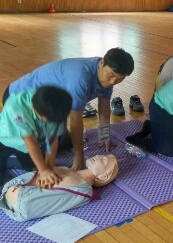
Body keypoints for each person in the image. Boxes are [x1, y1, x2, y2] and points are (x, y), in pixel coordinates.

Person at [3, 48, 134, 171]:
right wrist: (78, 157)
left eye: (120, 79)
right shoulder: (80, 77)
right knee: (32, 150)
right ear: (102, 62)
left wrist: (104, 135)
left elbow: (104, 106)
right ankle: (10, 159)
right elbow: (75, 119)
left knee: (58, 141)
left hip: (51, 106)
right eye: (111, 75)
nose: (113, 82)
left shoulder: (107, 79)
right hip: (21, 100)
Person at [0, 154, 118, 222]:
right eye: (101, 155)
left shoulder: (80, 183)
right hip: (16, 197)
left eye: (103, 160)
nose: (98, 156)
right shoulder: (77, 179)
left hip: (21, 198)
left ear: (103, 176)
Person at [0, 86, 72, 188]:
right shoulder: (16, 107)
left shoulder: (58, 106)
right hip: (5, 138)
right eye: (47, 120)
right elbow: (30, 141)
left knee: (34, 170)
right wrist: (44, 170)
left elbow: (53, 139)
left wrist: (50, 167)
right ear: (33, 108)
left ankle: (14, 162)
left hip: (32, 143)